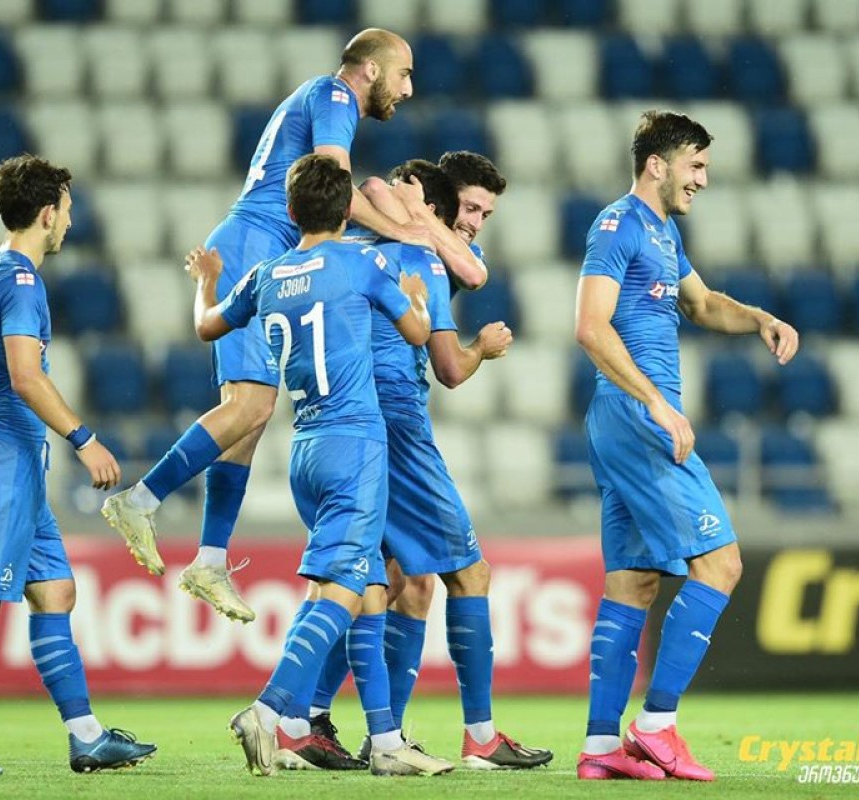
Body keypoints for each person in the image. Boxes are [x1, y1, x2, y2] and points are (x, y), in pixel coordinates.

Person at [101, 29, 486, 625]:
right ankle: (141, 498)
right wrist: (406, 229)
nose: (409, 88)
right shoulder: (335, 96)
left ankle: (210, 559)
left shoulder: (323, 100)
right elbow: (335, 182)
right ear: (371, 70)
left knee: (250, 417)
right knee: (250, 406)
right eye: (404, 74)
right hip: (254, 246)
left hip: (259, 250)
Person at [188, 153, 453, 777]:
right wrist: (417, 300)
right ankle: (268, 710)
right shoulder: (363, 262)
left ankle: (385, 741)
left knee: (367, 588)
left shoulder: (268, 273)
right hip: (355, 444)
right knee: (343, 589)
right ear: (347, 212)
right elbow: (418, 334)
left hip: (303, 447)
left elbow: (207, 326)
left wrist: (207, 280)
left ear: (289, 210)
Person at [283, 157, 550, 772]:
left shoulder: (359, 248)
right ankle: (480, 737)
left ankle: (319, 722)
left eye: (486, 213)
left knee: (387, 580)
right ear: (437, 206)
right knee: (470, 574)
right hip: (397, 426)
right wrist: (482, 347)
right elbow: (450, 368)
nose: (475, 222)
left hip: (339, 424)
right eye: (470, 208)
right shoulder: (421, 258)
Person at [0, 154, 156, 776]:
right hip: (2, 456)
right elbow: (24, 375)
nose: (70, 220)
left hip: (4, 456)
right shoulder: (20, 281)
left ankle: (87, 737)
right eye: (66, 209)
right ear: (47, 213)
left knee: (55, 591)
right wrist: (84, 439)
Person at [573, 111, 800, 781]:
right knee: (721, 563)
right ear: (657, 165)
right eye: (694, 165)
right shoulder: (617, 224)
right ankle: (656, 727)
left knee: (634, 580)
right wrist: (654, 402)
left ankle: (600, 746)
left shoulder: (664, 232)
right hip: (635, 414)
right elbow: (590, 326)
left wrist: (759, 318)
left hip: (625, 418)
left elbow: (701, 305)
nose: (702, 178)